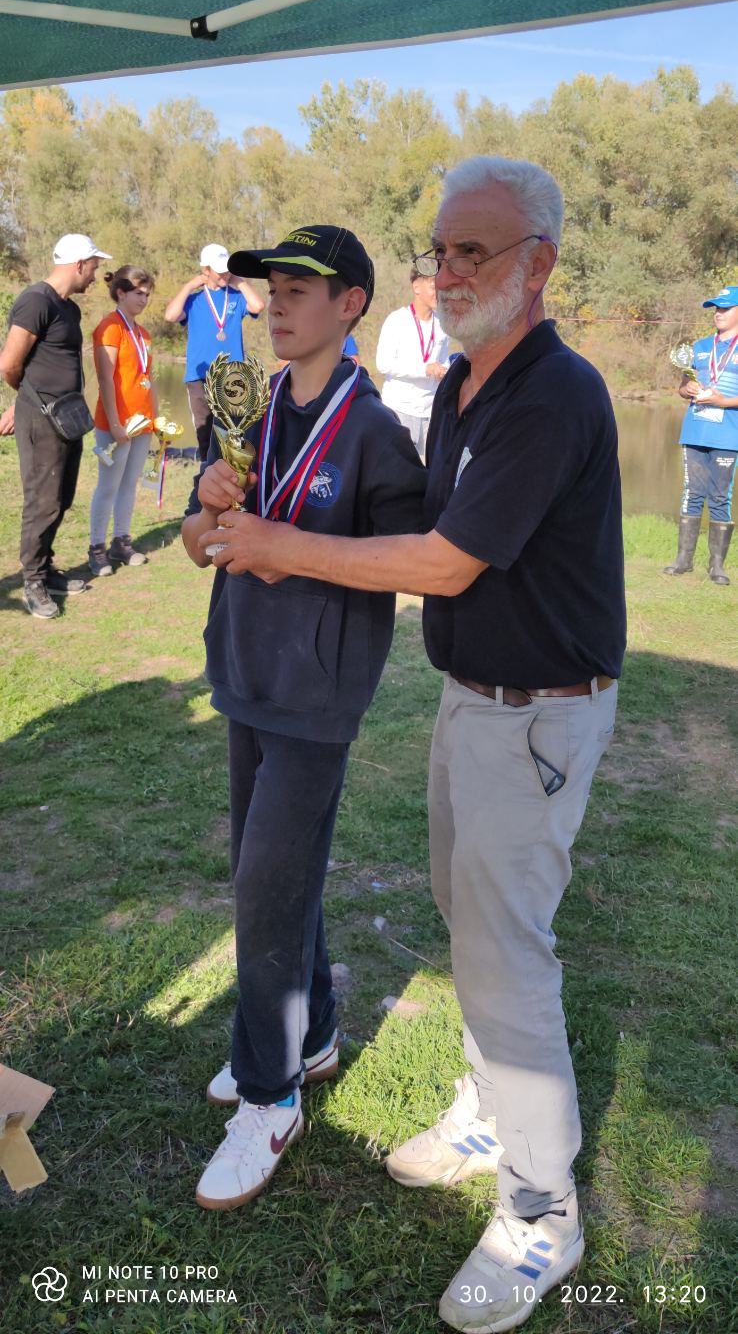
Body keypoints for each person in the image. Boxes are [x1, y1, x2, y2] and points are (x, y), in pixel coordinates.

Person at [199, 159, 626, 1332]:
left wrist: (276, 543)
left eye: (475, 251)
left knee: (506, 956)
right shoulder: (468, 382)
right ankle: (488, 1111)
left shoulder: (553, 393)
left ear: (540, 262)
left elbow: (440, 560)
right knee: (465, 919)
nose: (450, 272)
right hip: (474, 699)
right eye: (440, 251)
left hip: (538, 711)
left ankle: (541, 1209)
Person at [181, 224, 426, 1212]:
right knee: (273, 876)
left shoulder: (373, 432)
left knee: (264, 890)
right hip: (244, 672)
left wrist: (293, 547)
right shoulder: (248, 404)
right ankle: (313, 1035)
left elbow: (410, 561)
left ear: (350, 303)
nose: (276, 305)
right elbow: (200, 542)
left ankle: (269, 1095)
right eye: (270, 289)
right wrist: (208, 507)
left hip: (318, 696)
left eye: (299, 289)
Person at [0, 232, 112, 620]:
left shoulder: (69, 309)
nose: (95, 276)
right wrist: (28, 401)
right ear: (78, 264)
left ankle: (46, 569)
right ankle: (32, 581)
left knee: (61, 498)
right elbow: (9, 364)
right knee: (42, 501)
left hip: (67, 417)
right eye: (93, 267)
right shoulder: (36, 300)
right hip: (42, 418)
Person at [664, 283, 738, 585]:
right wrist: (688, 388)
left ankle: (717, 566)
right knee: (691, 493)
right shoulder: (699, 347)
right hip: (695, 431)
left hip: (728, 435)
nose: (718, 313)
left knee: (720, 497)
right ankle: (683, 560)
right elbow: (682, 388)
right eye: (716, 309)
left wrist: (723, 401)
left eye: (725, 308)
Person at [88, 266, 159, 577]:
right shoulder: (109, 327)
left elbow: (148, 378)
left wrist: (156, 418)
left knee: (130, 484)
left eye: (147, 294)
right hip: (116, 424)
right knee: (109, 485)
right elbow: (105, 379)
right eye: (138, 293)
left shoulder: (143, 334)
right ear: (121, 293)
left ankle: (121, 541)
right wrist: (115, 424)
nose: (144, 299)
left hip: (141, 422)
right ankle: (96, 548)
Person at [164, 243, 264, 460]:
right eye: (220, 271)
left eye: (228, 269)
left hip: (231, 375)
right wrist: (189, 286)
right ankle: (206, 472)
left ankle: (233, 474)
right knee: (205, 432)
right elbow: (170, 316)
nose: (225, 274)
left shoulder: (236, 297)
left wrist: (240, 282)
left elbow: (258, 306)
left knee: (233, 431)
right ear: (205, 270)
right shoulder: (194, 300)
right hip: (199, 377)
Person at [376, 266, 450, 460]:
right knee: (397, 469)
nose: (439, 293)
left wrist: (444, 370)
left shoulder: (442, 324)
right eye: (433, 287)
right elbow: (383, 363)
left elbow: (443, 360)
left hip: (430, 411)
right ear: (416, 287)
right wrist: (424, 370)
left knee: (429, 470)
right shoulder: (397, 320)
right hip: (400, 409)